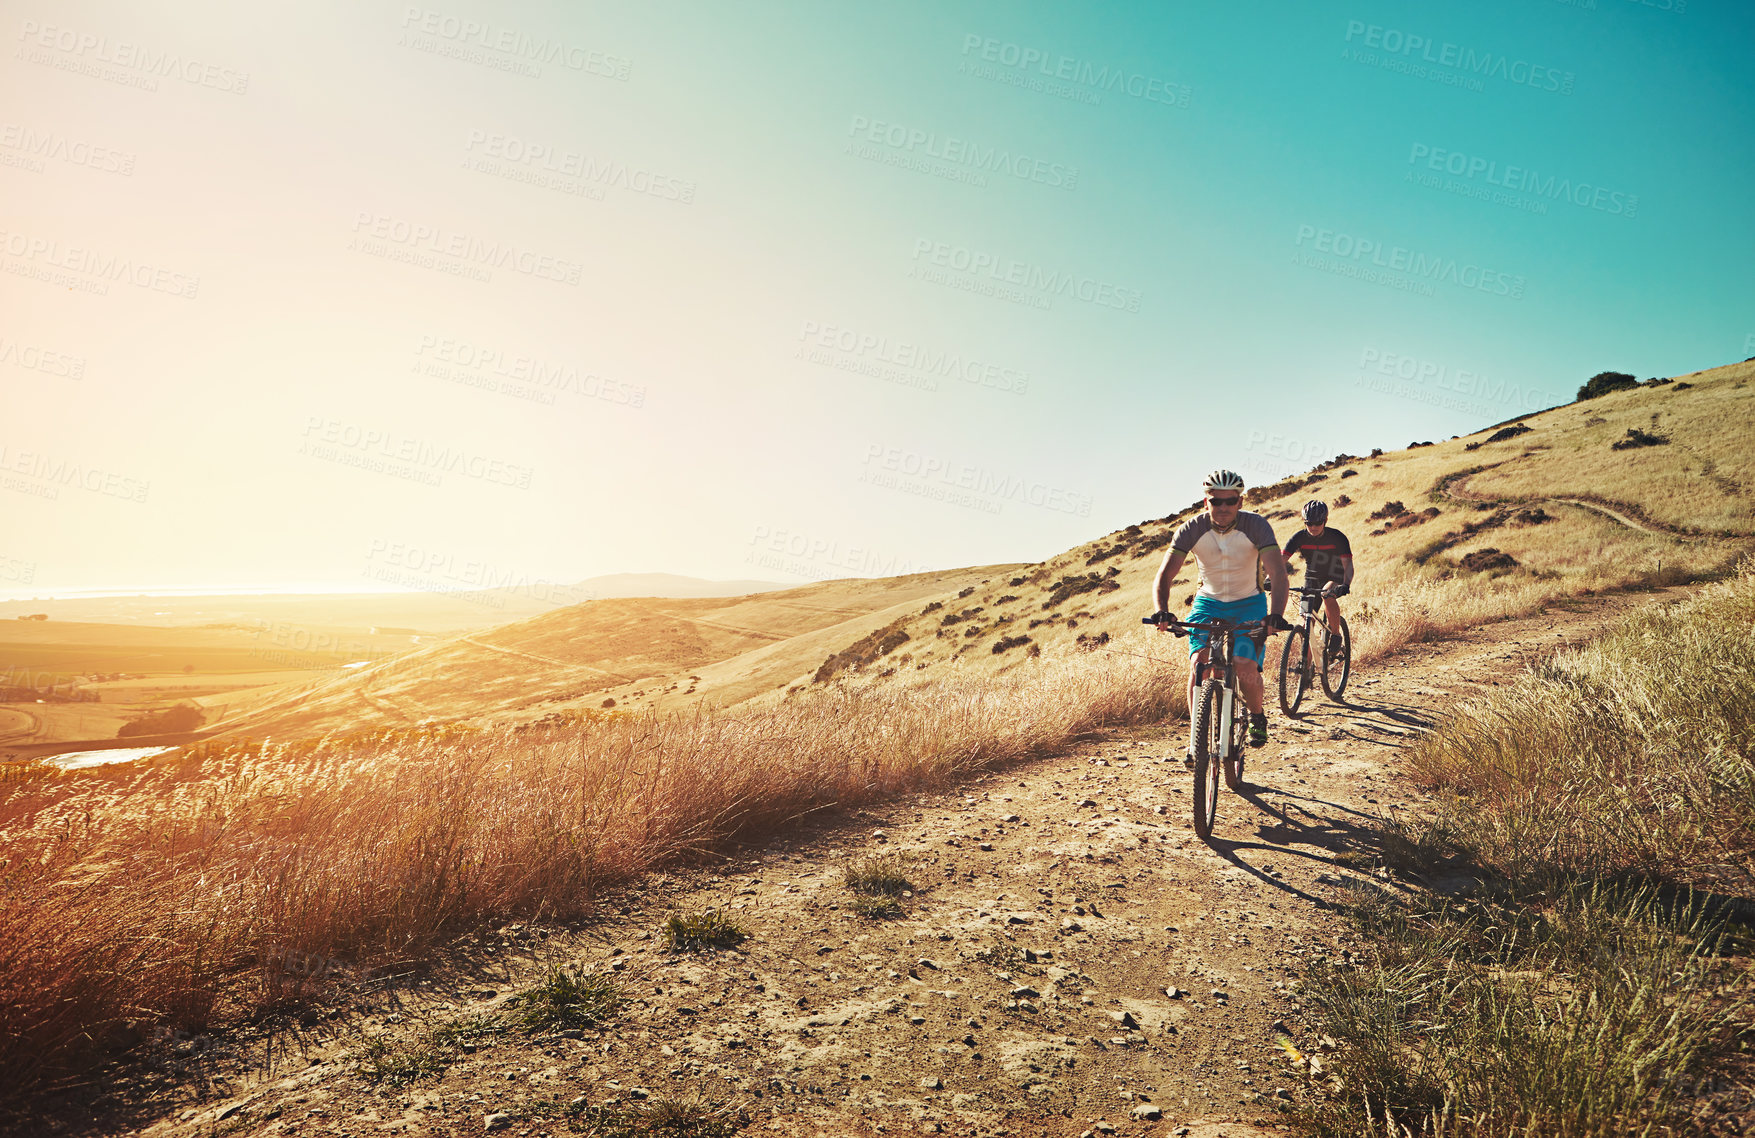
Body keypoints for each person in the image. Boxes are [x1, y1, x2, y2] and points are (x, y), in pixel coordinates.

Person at [1150, 469, 1291, 749]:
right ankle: (1196, 739)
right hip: (1208, 602)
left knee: (1243, 665)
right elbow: (1164, 575)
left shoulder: (1257, 526)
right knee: (1199, 664)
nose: (1223, 507)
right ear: (1206, 503)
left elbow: (1277, 573)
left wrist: (1275, 615)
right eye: (1216, 501)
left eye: (1230, 501)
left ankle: (1257, 717)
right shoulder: (1191, 529)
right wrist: (1162, 610)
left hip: (1249, 603)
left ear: (1240, 501)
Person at [1281, 500, 1354, 660]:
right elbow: (1281, 560)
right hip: (1312, 578)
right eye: (1309, 523)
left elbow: (1347, 564)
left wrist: (1346, 584)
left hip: (1335, 575)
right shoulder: (1299, 537)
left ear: (1325, 521)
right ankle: (1306, 671)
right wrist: (1269, 578)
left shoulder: (1337, 537)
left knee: (1327, 594)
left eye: (1317, 523)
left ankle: (1335, 635)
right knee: (1305, 623)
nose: (1313, 527)